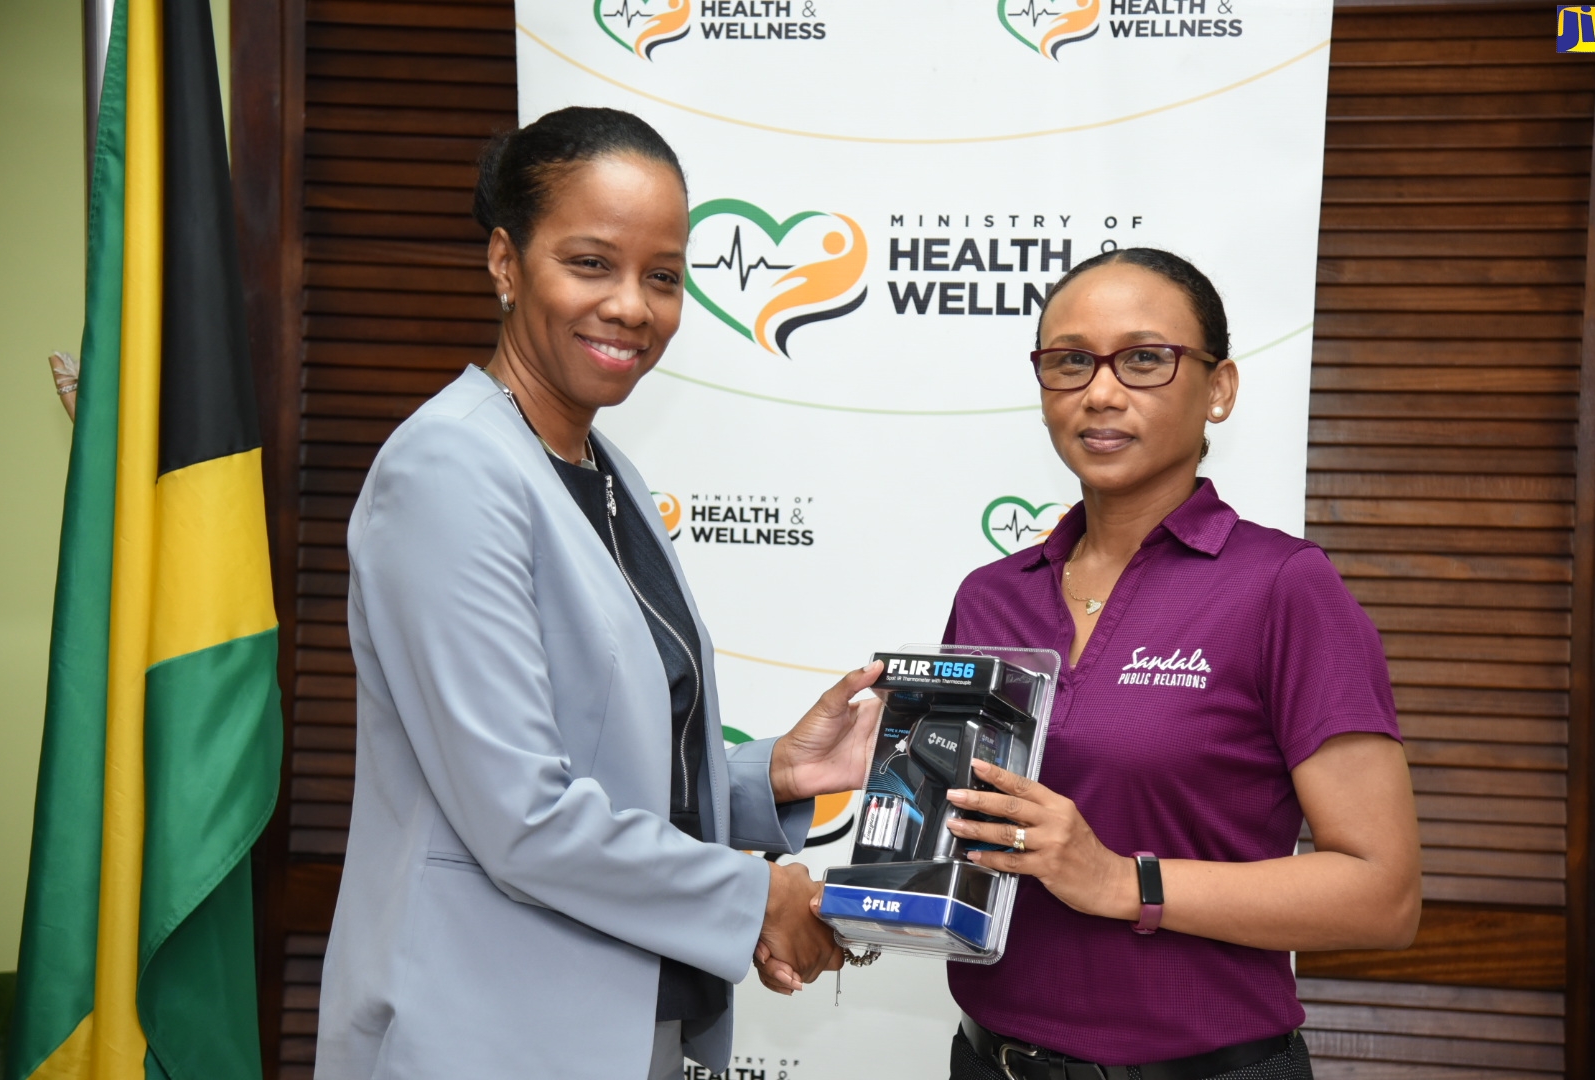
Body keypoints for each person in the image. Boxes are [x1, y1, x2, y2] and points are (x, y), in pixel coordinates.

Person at [314, 106, 874, 1080]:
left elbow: (604, 760)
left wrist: (772, 774)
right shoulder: (449, 470)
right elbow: (519, 813)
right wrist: (757, 901)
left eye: (662, 277)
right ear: (505, 261)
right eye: (590, 263)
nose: (631, 305)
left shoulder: (600, 470)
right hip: (481, 1034)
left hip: (623, 1028)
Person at [937, 248, 1421, 1080]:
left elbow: (1382, 896)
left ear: (1219, 388)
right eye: (1070, 361)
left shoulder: (1282, 587)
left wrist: (1125, 881)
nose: (1100, 390)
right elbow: (967, 845)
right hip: (990, 1063)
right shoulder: (991, 595)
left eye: (1145, 359)